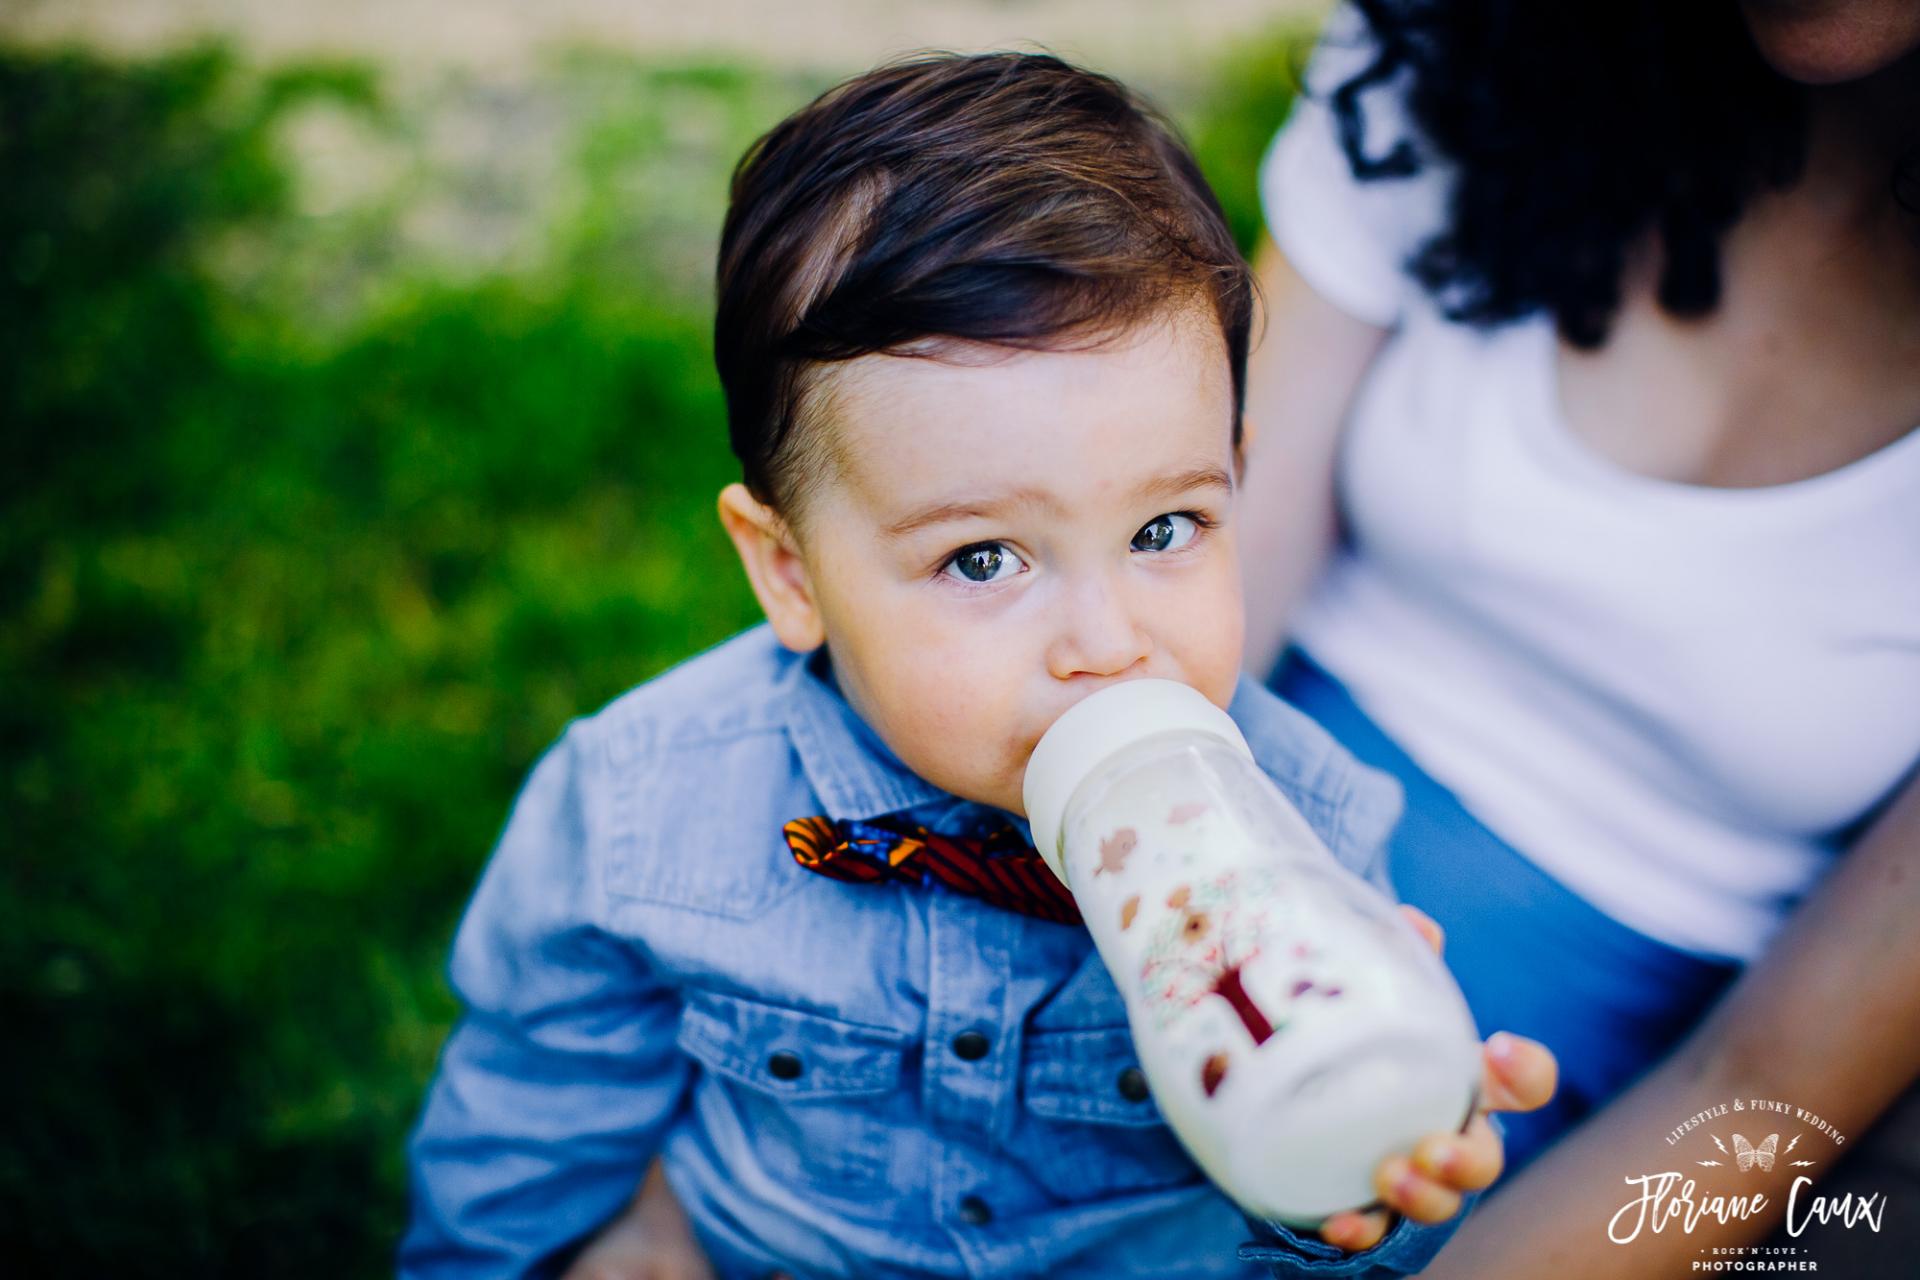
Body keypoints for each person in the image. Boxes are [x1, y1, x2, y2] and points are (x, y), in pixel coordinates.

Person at [397, 50, 1557, 1280]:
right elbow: (529, 1105)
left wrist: (1366, 1174)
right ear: (790, 571)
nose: (1109, 645)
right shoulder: (645, 809)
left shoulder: (1307, 837)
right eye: (986, 558)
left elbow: (1338, 1199)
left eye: (1165, 530)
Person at [1228, 0, 1920, 1267]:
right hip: (1194, 857)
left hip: (1549, 1136)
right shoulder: (1464, 48)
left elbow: (1756, 1087)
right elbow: (1199, 585)